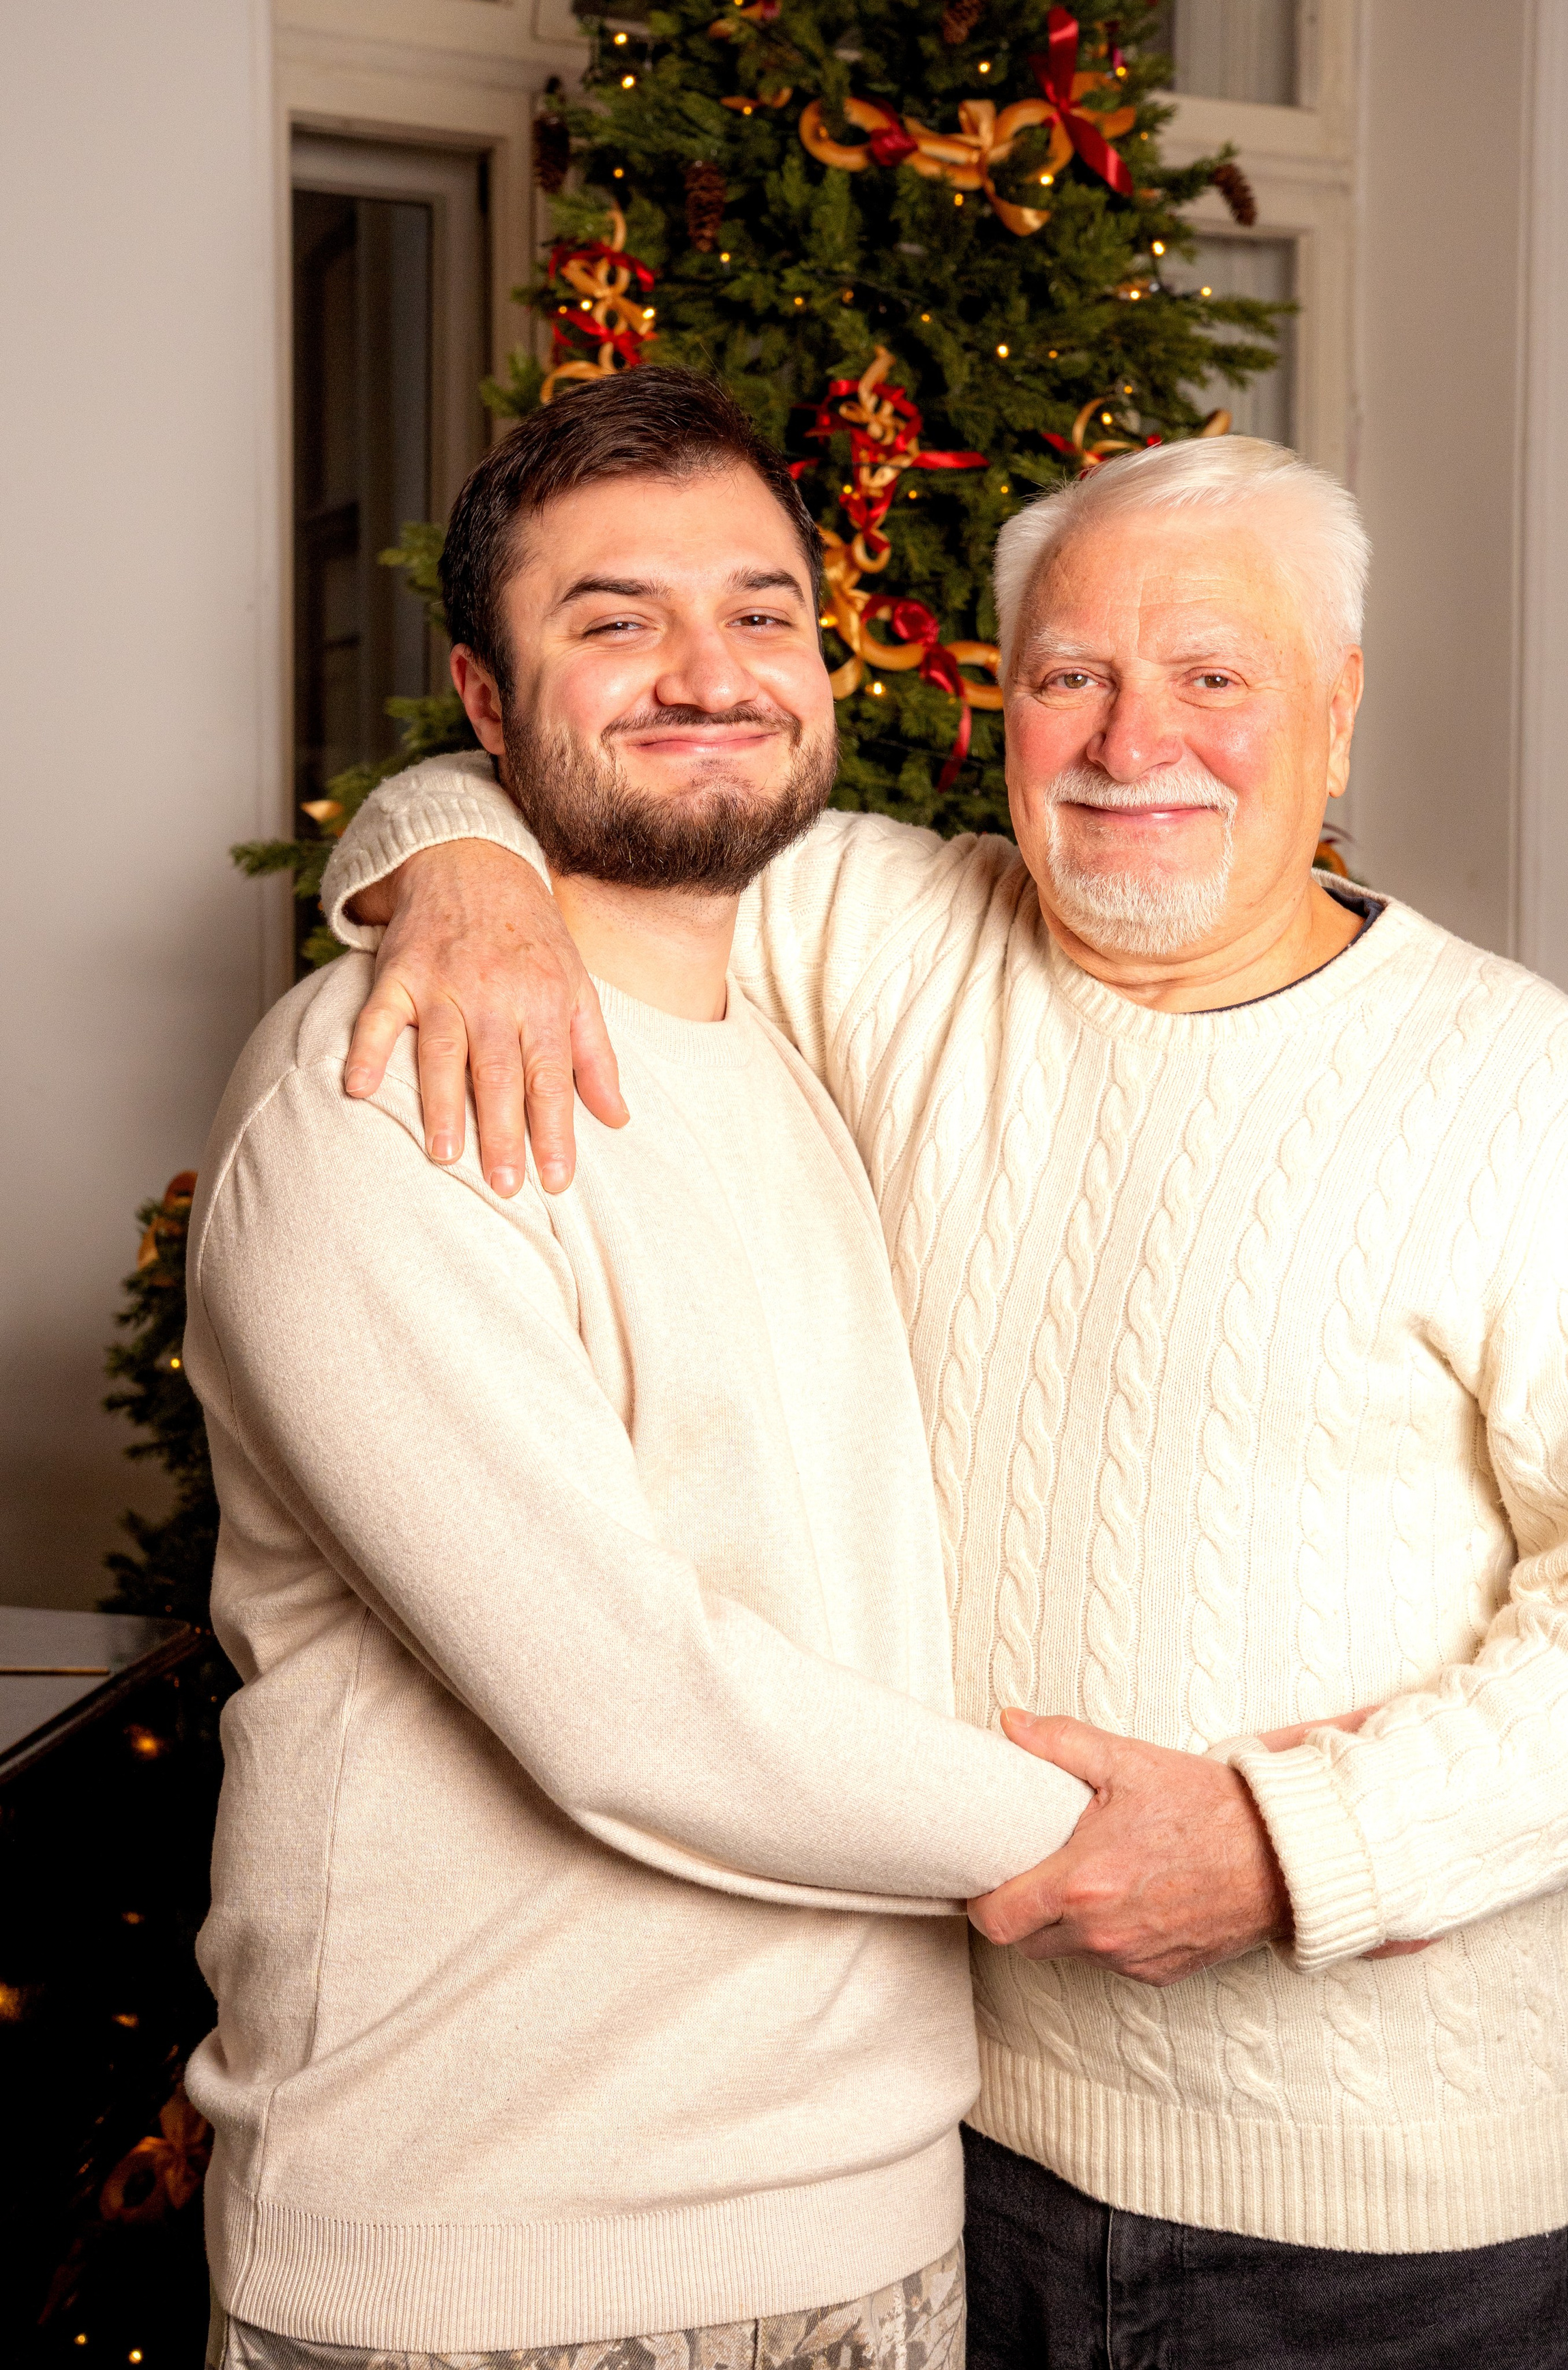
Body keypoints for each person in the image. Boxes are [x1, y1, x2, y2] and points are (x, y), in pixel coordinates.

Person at [329, 420, 1568, 2370]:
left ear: (1336, 713)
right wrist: (462, 870)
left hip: (1379, 2236)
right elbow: (614, 772)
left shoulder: (1522, 1089)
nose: (1129, 739)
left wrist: (1286, 1843)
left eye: (1214, 678)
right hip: (949, 2146)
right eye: (1070, 674)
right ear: (1003, 705)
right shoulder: (877, 930)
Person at [183, 370, 1119, 2370]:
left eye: (761, 611)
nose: (711, 671)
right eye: (613, 620)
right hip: (495, 2264)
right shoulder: (383, 1088)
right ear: (486, 696)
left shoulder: (799, 1037)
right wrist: (1124, 1840)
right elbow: (631, 1702)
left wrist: (441, 838)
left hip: (871, 2217)